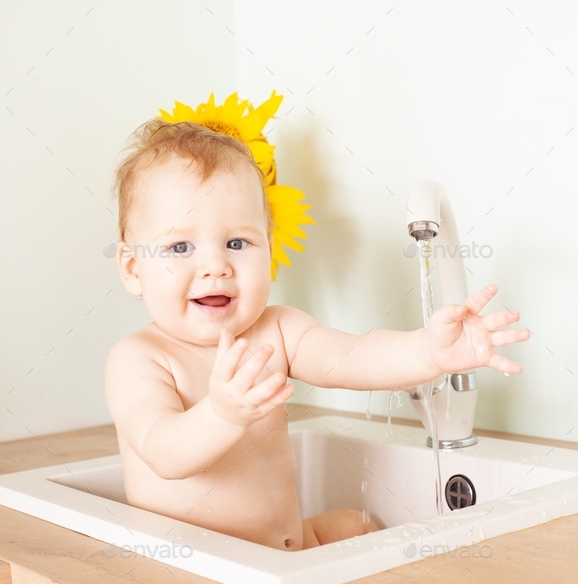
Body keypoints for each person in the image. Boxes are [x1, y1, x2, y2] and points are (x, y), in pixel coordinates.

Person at [105, 118, 529, 551]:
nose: (216, 266)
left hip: (286, 551)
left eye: (237, 243)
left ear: (268, 249)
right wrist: (223, 414)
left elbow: (352, 356)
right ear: (133, 268)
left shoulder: (276, 329)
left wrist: (429, 352)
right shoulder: (140, 359)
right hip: (198, 576)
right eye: (180, 248)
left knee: (360, 526)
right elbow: (163, 453)